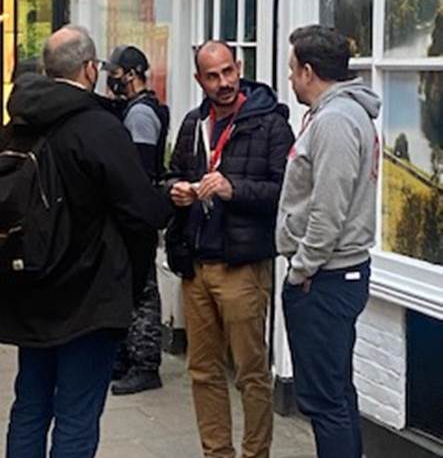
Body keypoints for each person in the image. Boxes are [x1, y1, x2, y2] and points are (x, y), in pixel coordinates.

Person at [0, 25, 171, 458]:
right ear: (90, 69)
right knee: (76, 415)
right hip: (89, 295)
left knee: (30, 407)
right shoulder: (97, 127)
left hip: (30, 289)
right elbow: (142, 212)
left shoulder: (17, 126)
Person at [169, 40, 294, 458]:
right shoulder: (193, 124)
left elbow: (285, 193)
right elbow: (169, 175)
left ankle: (255, 453)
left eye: (228, 72)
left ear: (239, 67)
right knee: (203, 371)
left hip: (242, 264)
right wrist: (177, 191)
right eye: (212, 76)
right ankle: (216, 452)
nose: (223, 82)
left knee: (251, 372)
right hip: (196, 263)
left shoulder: (270, 123)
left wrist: (232, 188)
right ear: (198, 79)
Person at [276, 25, 381, 458]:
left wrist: (302, 270)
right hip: (333, 275)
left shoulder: (336, 121)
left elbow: (328, 211)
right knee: (336, 393)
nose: (290, 79)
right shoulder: (340, 115)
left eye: (291, 69)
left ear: (308, 70)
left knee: (324, 401)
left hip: (325, 279)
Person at [104, 44, 169, 395]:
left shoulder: (140, 115)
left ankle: (145, 365)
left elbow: (139, 170)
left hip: (137, 213)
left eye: (115, 73)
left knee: (143, 288)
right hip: (135, 210)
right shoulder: (133, 109)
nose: (110, 80)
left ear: (130, 74)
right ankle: (129, 359)